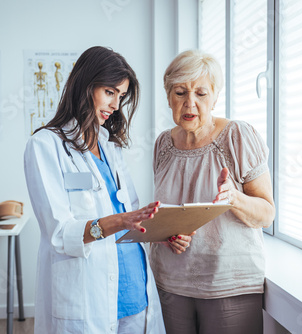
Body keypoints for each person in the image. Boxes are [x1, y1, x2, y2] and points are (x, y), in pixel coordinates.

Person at [24, 46, 174, 334]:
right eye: (110, 92)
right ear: (85, 85)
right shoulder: (45, 146)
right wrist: (120, 221)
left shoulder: (110, 147)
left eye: (121, 96)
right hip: (86, 295)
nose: (116, 104)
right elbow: (59, 234)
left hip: (133, 286)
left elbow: (131, 216)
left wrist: (161, 233)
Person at [150, 49, 276, 334]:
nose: (189, 103)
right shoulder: (162, 144)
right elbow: (168, 211)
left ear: (216, 97)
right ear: (168, 96)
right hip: (170, 282)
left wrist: (235, 199)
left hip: (228, 285)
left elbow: (267, 213)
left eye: (201, 94)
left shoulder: (237, 136)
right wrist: (167, 233)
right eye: (180, 92)